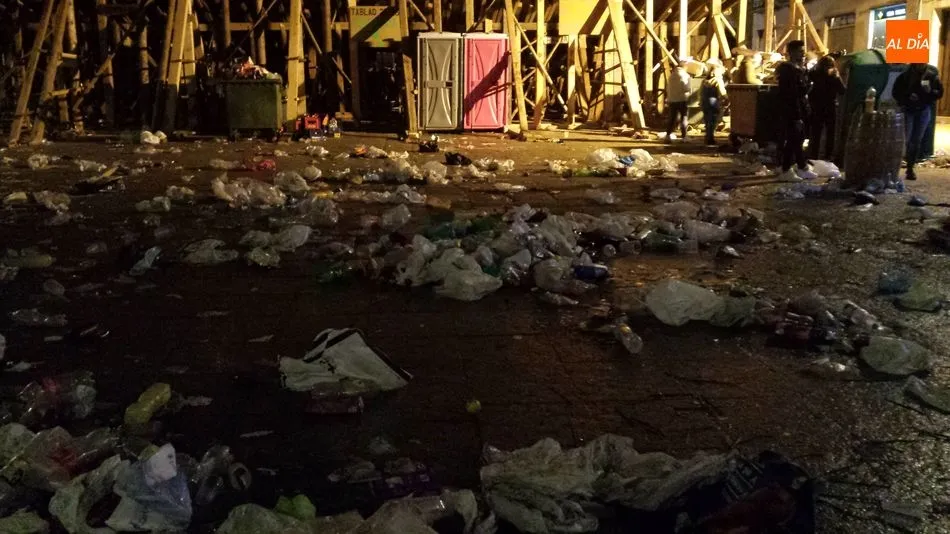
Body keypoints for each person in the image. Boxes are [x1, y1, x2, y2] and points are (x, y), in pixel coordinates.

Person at [893, 63, 944, 180]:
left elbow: (939, 93)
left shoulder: (931, 76)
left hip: (923, 110)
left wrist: (930, 92)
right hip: (909, 110)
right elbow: (896, 92)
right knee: (906, 139)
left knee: (916, 140)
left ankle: (910, 168)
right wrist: (907, 97)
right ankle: (896, 167)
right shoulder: (905, 76)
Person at [776, 40, 817, 180]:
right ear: (792, 53)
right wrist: (797, 116)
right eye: (800, 51)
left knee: (797, 139)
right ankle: (788, 169)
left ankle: (799, 167)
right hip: (793, 111)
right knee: (794, 139)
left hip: (800, 109)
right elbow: (792, 95)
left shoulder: (799, 69)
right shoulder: (788, 70)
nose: (803, 53)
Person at [807, 55, 846, 160]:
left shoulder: (814, 74)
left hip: (817, 106)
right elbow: (842, 90)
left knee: (816, 132)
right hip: (829, 106)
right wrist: (837, 76)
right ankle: (827, 156)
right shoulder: (833, 76)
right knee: (830, 132)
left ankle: (813, 155)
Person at [701, 59, 727, 146]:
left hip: (704, 102)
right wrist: (727, 98)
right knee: (713, 121)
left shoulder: (704, 80)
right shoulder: (718, 80)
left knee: (707, 121)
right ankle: (710, 138)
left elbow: (700, 92)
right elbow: (722, 92)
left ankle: (707, 137)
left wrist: (700, 101)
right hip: (714, 102)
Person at [665, 60, 692, 142]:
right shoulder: (685, 75)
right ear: (685, 67)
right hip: (682, 99)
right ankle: (684, 137)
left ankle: (668, 135)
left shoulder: (671, 75)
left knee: (672, 118)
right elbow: (686, 88)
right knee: (683, 118)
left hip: (672, 100)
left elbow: (667, 88)